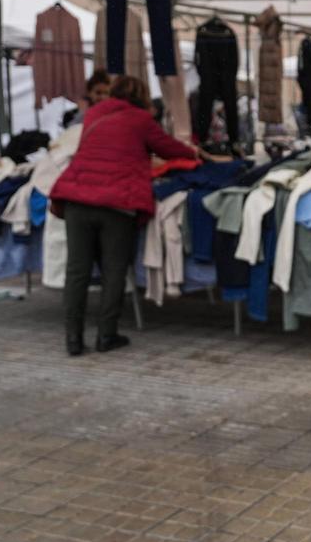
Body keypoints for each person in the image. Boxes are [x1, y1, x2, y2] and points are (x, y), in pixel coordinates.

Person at [49, 75, 201, 356]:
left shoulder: (94, 113)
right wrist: (194, 154)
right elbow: (169, 149)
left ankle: (73, 339)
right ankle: (106, 336)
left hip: (77, 199)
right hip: (117, 202)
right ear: (142, 96)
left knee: (77, 271)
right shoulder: (141, 120)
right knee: (114, 270)